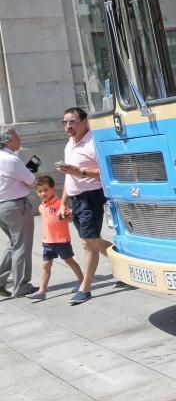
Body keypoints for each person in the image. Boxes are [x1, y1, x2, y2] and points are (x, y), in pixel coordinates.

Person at [57, 108, 115, 305]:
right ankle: (123, 262)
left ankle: (85, 287)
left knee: (88, 242)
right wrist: (62, 203)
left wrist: (80, 172)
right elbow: (68, 176)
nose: (68, 126)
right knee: (91, 240)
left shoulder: (93, 143)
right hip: (75, 199)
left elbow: (106, 172)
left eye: (72, 121)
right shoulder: (70, 144)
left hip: (91, 197)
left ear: (85, 122)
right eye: (65, 122)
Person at [27, 176, 84, 301]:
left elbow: (70, 218)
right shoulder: (41, 206)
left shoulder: (59, 204)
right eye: (40, 191)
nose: (43, 193)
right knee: (46, 266)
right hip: (47, 242)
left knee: (70, 262)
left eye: (46, 190)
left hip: (61, 241)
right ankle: (42, 290)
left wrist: (65, 217)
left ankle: (82, 281)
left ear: (53, 189)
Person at [0, 126, 37, 298]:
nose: (19, 139)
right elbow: (31, 181)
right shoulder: (11, 160)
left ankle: (0, 281)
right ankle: (21, 285)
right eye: (16, 137)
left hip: (3, 207)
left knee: (13, 244)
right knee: (21, 245)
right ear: (7, 140)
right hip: (15, 205)